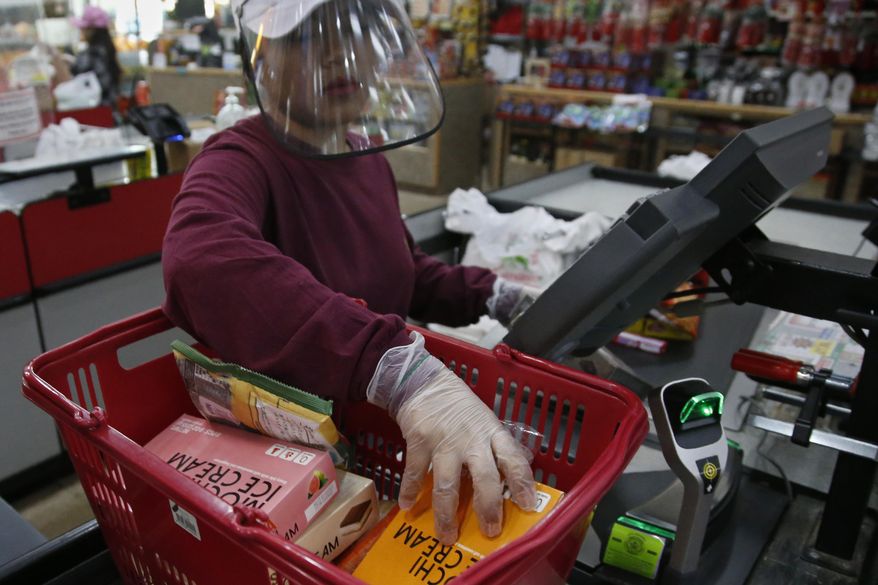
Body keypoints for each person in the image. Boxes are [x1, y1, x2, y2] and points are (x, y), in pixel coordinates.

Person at [162, 0, 538, 545]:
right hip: (293, 478)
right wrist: (392, 369)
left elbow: (401, 272)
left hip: (377, 454)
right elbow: (199, 258)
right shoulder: (240, 159)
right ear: (261, 60)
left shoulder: (366, 157)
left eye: (356, 29)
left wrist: (498, 295)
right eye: (309, 36)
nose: (342, 53)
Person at [69, 5, 122, 107]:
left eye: (84, 29)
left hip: (97, 110)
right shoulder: (108, 49)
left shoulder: (92, 54)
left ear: (92, 30)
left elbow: (74, 84)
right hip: (111, 109)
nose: (81, 32)